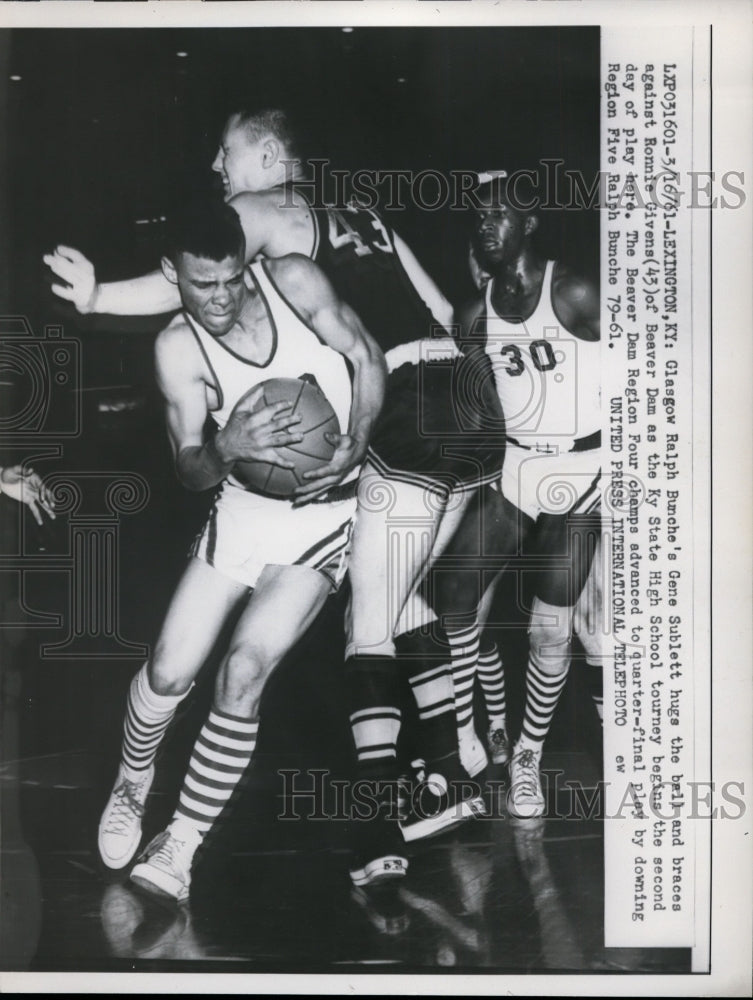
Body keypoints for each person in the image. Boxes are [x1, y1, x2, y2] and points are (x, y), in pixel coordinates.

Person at [45, 108, 505, 884]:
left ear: (264, 157)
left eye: (226, 156)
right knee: (378, 604)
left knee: (324, 639)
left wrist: (95, 299)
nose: (219, 172)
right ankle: (453, 750)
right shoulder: (357, 214)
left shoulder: (262, 224)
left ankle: (230, 838)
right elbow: (444, 312)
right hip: (451, 397)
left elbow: (174, 278)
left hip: (377, 427)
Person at [96, 199, 385, 903]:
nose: (221, 298)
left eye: (231, 280)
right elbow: (187, 468)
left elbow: (366, 356)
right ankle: (135, 780)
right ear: (173, 275)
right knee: (167, 674)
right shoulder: (177, 347)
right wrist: (227, 447)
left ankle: (181, 844)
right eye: (203, 286)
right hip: (244, 511)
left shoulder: (292, 280)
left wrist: (360, 432)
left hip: (325, 512)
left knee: (245, 667)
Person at [431, 170, 601, 819]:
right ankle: (465, 733)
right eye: (477, 216)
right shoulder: (475, 316)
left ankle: (527, 754)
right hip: (517, 470)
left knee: (547, 631)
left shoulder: (576, 292)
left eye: (498, 213)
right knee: (451, 594)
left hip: (582, 471)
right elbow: (482, 403)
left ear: (529, 223)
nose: (485, 224)